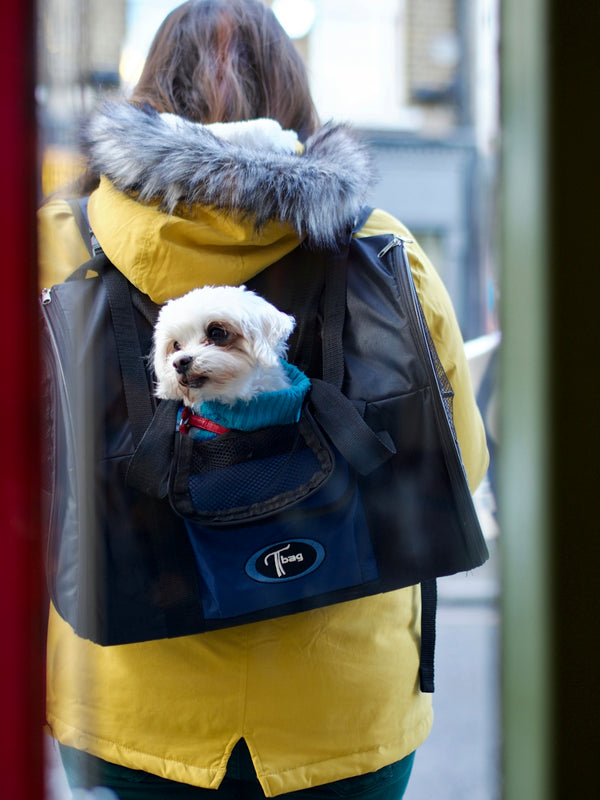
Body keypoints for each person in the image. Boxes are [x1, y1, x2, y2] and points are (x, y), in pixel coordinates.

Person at [39, 1, 489, 798]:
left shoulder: (55, 243)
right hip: (341, 709)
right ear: (294, 98)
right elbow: (463, 463)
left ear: (147, 95)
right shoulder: (380, 245)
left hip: (130, 699)